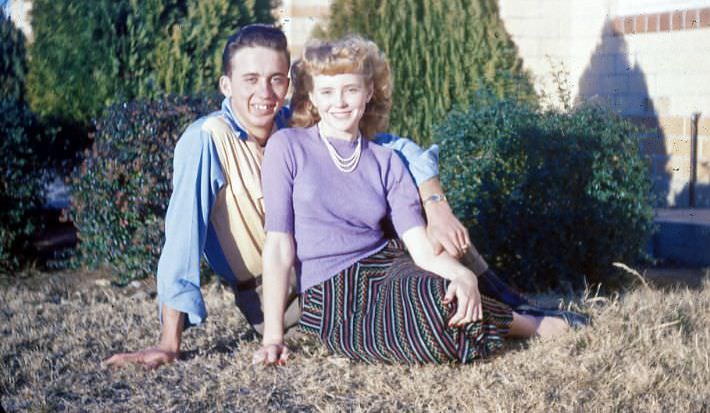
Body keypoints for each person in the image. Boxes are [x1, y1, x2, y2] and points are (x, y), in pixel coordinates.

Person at [104, 24, 542, 369]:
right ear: (226, 84)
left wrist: (435, 202)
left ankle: (514, 308)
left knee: (431, 234)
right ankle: (514, 316)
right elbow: (181, 237)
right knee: (430, 304)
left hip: (362, 267)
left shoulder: (290, 129)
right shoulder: (207, 140)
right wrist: (169, 342)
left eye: (276, 80)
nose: (265, 93)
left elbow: (395, 150)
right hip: (285, 295)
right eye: (251, 80)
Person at [254, 37, 570, 366]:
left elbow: (419, 247)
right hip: (329, 292)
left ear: (369, 92)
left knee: (444, 296)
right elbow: (278, 244)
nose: (340, 102)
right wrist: (273, 338)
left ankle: (526, 324)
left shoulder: (387, 161)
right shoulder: (288, 147)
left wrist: (463, 276)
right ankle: (523, 324)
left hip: (388, 267)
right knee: (426, 329)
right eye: (328, 91)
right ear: (313, 98)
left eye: (350, 89)